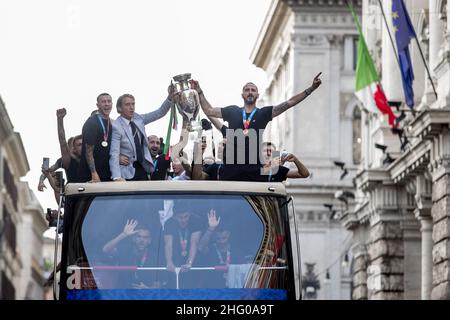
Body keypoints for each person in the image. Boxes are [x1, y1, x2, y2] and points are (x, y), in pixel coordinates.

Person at [190, 74, 322, 181]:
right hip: (231, 169)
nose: (250, 92)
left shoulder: (263, 113)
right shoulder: (233, 111)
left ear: (257, 95)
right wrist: (199, 92)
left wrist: (310, 89)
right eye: (247, 90)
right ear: (242, 95)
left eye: (253, 90)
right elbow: (209, 111)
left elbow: (289, 103)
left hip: (254, 169)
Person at [109, 89, 175, 181]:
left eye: (133, 104)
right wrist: (117, 177)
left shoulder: (138, 119)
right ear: (119, 108)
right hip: (126, 171)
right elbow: (114, 153)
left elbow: (159, 113)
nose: (132, 107)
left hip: (142, 167)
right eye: (127, 105)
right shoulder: (116, 126)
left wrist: (169, 98)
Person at [102, 219, 161, 289]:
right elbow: (106, 250)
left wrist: (147, 289)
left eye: (145, 237)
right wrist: (123, 234)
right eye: (139, 236)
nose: (142, 240)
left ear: (149, 241)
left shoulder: (155, 257)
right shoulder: (125, 250)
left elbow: (158, 286)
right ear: (134, 238)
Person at [163, 202, 203, 288]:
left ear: (190, 214)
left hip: (194, 260)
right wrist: (169, 262)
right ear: (174, 217)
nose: (184, 220)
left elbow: (194, 242)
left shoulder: (196, 220)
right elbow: (168, 244)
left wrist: (189, 263)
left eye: (186, 216)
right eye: (180, 217)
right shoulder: (169, 223)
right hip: (176, 260)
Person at [78, 93, 114, 182]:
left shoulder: (112, 123)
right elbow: (88, 151)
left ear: (112, 104)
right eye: (103, 102)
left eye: (109, 101)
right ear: (98, 105)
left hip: (107, 173)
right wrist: (94, 173)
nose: (106, 104)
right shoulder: (92, 122)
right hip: (91, 175)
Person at [197, 210, 236, 287]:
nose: (221, 241)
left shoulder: (236, 251)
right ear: (214, 236)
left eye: (224, 238)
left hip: (233, 290)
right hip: (212, 290)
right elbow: (201, 247)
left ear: (228, 234)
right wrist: (211, 228)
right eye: (219, 238)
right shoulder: (210, 249)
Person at [56, 108, 83, 182]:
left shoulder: (93, 159)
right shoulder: (69, 161)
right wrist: (60, 119)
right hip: (74, 192)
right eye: (79, 145)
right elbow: (63, 143)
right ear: (74, 148)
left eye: (84, 144)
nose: (82, 147)